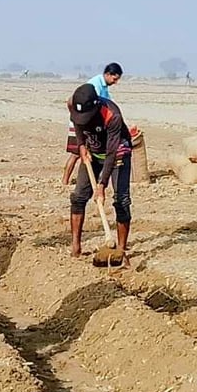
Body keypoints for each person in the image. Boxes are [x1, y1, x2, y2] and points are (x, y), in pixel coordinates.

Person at [67, 83, 132, 261]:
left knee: (121, 200)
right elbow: (78, 126)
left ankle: (120, 249)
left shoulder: (112, 115)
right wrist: (81, 146)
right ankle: (76, 247)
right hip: (93, 153)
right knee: (79, 196)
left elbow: (111, 152)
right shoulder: (72, 104)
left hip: (117, 152)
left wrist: (102, 184)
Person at [63, 63, 124, 184]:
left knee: (86, 154)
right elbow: (72, 101)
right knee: (76, 152)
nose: (115, 82)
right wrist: (76, 119)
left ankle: (87, 180)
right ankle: (65, 180)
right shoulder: (94, 85)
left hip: (91, 122)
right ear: (107, 74)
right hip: (83, 122)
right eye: (114, 79)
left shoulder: (104, 87)